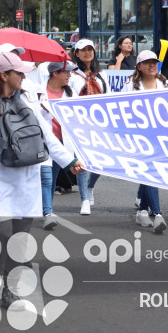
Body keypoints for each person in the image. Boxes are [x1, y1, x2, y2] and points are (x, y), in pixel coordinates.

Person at [0, 51, 84, 310]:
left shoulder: (27, 101)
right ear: (4, 75)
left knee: (21, 239)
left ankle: (11, 289)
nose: (23, 76)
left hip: (27, 178)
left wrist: (69, 161)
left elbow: (46, 136)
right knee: (0, 235)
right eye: (19, 72)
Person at [121, 50, 168, 234]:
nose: (152, 65)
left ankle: (142, 210)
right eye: (147, 62)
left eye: (154, 62)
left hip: (160, 137)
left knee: (148, 174)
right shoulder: (130, 85)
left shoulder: (165, 84)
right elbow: (121, 109)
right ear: (139, 66)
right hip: (139, 138)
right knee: (151, 173)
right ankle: (157, 214)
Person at [69, 38, 110, 215]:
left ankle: (90, 186)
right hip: (79, 124)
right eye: (83, 50)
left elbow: (108, 98)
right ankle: (84, 199)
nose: (87, 52)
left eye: (90, 49)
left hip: (99, 124)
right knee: (82, 163)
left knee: (101, 162)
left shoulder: (102, 75)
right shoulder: (71, 75)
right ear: (76, 53)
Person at [38, 60, 77, 230]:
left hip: (61, 142)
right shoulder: (39, 91)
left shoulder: (71, 93)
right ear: (55, 73)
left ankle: (47, 209)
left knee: (52, 178)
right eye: (66, 72)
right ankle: (47, 213)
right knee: (46, 177)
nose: (69, 75)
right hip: (43, 141)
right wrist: (42, 110)